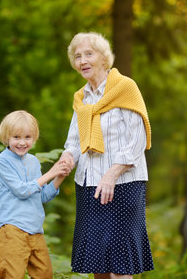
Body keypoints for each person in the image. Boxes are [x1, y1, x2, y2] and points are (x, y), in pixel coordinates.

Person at [58, 32, 154, 278]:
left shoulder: (125, 88)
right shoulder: (82, 98)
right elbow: (74, 142)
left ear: (103, 57)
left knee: (121, 264)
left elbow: (137, 140)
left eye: (88, 54)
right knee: (96, 264)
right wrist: (66, 159)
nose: (82, 61)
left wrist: (111, 174)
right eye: (77, 56)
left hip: (123, 183)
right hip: (89, 184)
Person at [0, 110, 70, 279]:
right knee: (13, 275)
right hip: (11, 227)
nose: (22, 142)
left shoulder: (33, 161)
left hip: (35, 229)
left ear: (34, 138)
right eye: (16, 137)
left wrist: (60, 175)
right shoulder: (2, 161)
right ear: (6, 137)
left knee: (44, 274)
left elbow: (41, 196)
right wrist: (51, 172)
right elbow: (21, 190)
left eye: (27, 137)